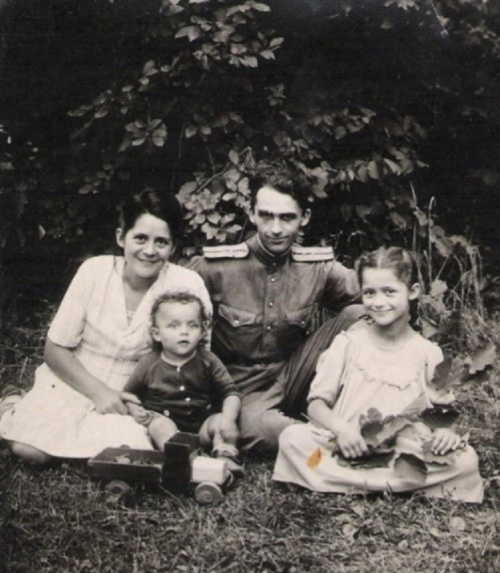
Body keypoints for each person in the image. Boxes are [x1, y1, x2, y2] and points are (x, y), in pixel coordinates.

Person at [0, 189, 212, 464]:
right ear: (121, 237)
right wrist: (100, 393)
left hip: (137, 394)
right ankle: (12, 405)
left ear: (173, 247)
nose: (149, 251)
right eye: (140, 238)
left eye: (161, 242)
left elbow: (197, 357)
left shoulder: (186, 284)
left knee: (129, 450)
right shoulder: (94, 272)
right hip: (75, 379)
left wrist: (153, 402)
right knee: (30, 451)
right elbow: (55, 350)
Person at [273, 247, 484, 502]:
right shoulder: (347, 344)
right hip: (346, 444)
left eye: (389, 291)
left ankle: (345, 481)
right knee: (293, 438)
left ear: (413, 291)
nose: (378, 302)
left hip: (403, 449)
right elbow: (316, 406)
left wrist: (445, 434)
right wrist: (342, 430)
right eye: (369, 293)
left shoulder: (429, 352)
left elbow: (443, 415)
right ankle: (395, 485)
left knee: (466, 460)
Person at [187, 170, 364, 452]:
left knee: (359, 315)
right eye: (266, 216)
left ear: (304, 217)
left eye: (287, 217)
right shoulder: (216, 267)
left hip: (296, 374)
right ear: (252, 214)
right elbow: (166, 300)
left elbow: (374, 296)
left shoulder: (317, 267)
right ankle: (327, 434)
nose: (275, 229)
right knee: (258, 430)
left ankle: (352, 406)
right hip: (241, 388)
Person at [122, 291, 243, 473]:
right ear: (156, 333)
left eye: (192, 325)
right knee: (160, 426)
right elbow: (128, 394)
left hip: (200, 426)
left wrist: (228, 419)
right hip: (165, 423)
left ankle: (226, 456)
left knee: (219, 422)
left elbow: (230, 392)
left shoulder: (208, 360)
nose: (184, 331)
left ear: (202, 331)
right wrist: (133, 408)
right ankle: (181, 459)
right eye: (174, 326)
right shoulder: (148, 364)